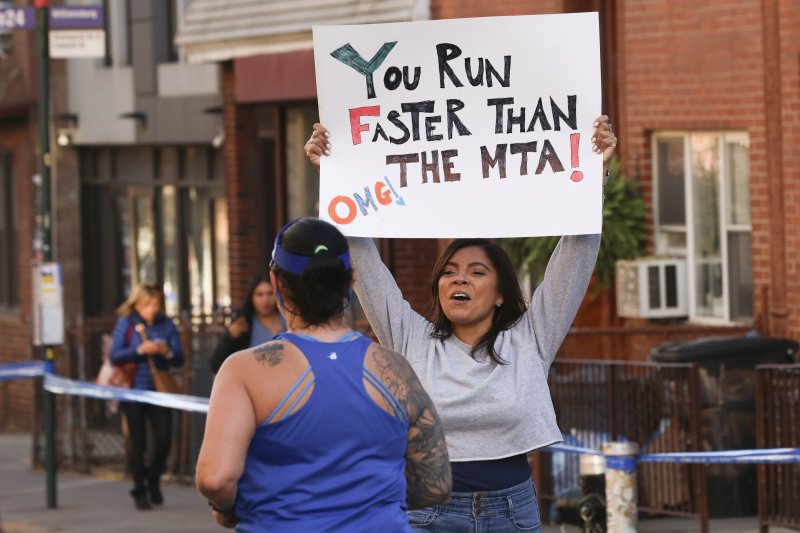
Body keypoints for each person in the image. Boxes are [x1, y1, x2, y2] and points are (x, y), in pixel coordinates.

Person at [305, 116, 616, 531]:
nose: (460, 279)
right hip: (429, 512)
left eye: (476, 271)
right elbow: (363, 260)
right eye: (450, 272)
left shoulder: (530, 340)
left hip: (512, 512)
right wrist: (334, 176)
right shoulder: (411, 338)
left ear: (501, 292)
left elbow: (573, 260)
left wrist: (595, 178)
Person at [195, 217, 452, 532]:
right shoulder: (394, 369)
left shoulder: (243, 370)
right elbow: (435, 484)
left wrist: (229, 507)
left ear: (276, 284)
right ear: (350, 280)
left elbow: (216, 478)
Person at [109, 282, 185, 510]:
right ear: (138, 304)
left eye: (156, 304)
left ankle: (153, 478)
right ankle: (139, 488)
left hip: (159, 391)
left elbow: (179, 358)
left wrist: (166, 351)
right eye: (148, 304)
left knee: (163, 439)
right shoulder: (127, 323)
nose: (152, 308)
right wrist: (141, 350)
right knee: (138, 443)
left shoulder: (166, 324)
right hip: (133, 391)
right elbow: (114, 355)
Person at [209, 274, 286, 374]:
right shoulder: (243, 324)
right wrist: (229, 337)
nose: (265, 300)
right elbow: (216, 364)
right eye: (259, 294)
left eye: (270, 293)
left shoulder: (288, 320)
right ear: (252, 298)